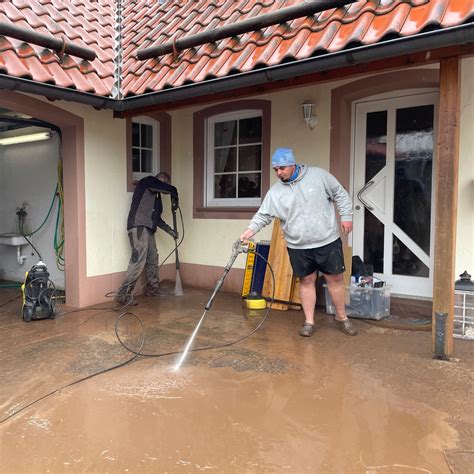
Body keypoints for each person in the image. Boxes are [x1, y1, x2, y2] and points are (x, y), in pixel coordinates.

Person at [240, 147, 357, 337]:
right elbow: (263, 215)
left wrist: (346, 216)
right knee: (306, 280)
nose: (278, 173)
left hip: (327, 240)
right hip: (298, 245)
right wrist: (249, 230)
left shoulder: (318, 176)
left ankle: (342, 318)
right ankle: (309, 322)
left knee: (334, 279)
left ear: (293, 164)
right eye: (275, 170)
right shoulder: (276, 192)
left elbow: (340, 194)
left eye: (282, 168)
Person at [115, 171, 179, 305]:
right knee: (138, 260)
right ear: (160, 179)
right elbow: (169, 189)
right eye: (164, 183)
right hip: (138, 226)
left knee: (152, 259)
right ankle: (123, 294)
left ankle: (153, 290)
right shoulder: (147, 182)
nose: (164, 186)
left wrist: (170, 231)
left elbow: (157, 219)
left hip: (148, 229)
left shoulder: (156, 199)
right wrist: (174, 192)